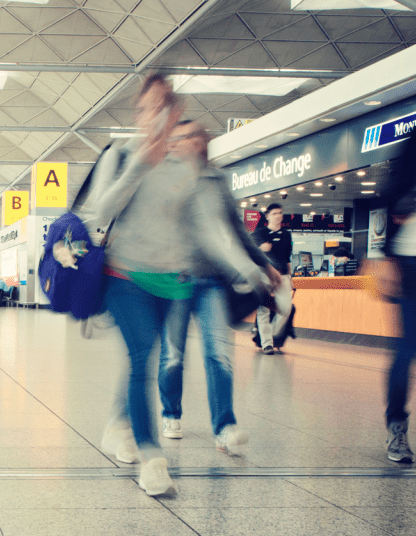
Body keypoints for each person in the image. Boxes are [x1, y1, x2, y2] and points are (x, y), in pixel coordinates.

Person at [93, 73, 268, 496]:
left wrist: (247, 269)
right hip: (125, 277)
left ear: (175, 113)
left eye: (161, 108)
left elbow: (208, 230)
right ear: (137, 115)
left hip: (173, 283)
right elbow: (101, 211)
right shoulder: (119, 155)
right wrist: (140, 164)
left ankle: (120, 424)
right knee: (143, 359)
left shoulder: (188, 170)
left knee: (151, 358)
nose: (152, 117)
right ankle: (152, 458)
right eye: (144, 109)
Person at [156, 121, 279, 452]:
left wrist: (264, 264)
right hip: (175, 280)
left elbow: (236, 229)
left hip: (211, 281)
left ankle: (224, 426)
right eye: (189, 136)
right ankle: (171, 412)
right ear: (176, 143)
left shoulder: (217, 180)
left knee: (219, 355)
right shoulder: (163, 179)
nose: (200, 141)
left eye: (201, 135)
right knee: (173, 356)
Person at [378, 109, 416, 464]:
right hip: (414, 253)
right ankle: (396, 425)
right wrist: (386, 256)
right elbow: (392, 190)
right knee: (408, 347)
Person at [252, 203, 293, 355]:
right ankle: (267, 344)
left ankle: (273, 334)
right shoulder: (259, 233)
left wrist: (290, 276)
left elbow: (287, 256)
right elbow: (249, 251)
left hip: (282, 276)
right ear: (267, 215)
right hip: (265, 276)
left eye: (280, 213)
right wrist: (259, 249)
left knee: (286, 309)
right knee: (263, 311)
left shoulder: (287, 234)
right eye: (274, 213)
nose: (278, 215)